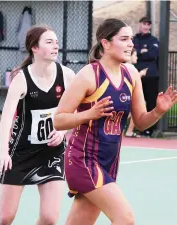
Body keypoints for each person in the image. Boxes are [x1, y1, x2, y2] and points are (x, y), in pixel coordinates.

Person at [54, 18, 177, 225]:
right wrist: (88, 114)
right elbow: (58, 121)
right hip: (83, 160)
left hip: (108, 162)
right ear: (105, 43)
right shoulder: (88, 75)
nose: (131, 44)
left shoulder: (131, 74)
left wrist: (157, 111)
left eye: (131, 39)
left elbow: (140, 122)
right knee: (125, 218)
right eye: (124, 39)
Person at [0, 25, 75, 225]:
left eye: (56, 42)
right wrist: (3, 152)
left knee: (50, 218)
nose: (55, 46)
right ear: (34, 47)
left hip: (52, 152)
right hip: (21, 152)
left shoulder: (67, 75)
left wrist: (62, 130)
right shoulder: (22, 79)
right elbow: (6, 118)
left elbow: (76, 109)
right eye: (49, 42)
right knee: (5, 217)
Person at [133, 16, 159, 137]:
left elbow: (153, 54)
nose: (146, 26)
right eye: (144, 24)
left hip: (150, 75)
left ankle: (149, 129)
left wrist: (141, 53)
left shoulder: (153, 40)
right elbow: (133, 53)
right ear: (140, 24)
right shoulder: (134, 39)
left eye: (148, 24)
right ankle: (134, 127)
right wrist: (141, 52)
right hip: (135, 75)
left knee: (151, 101)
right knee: (135, 101)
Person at [125, 48, 147, 137]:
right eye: (135, 55)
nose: (137, 57)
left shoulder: (130, 68)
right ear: (130, 56)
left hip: (128, 94)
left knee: (135, 110)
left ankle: (128, 130)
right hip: (125, 95)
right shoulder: (127, 67)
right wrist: (140, 74)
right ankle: (128, 130)